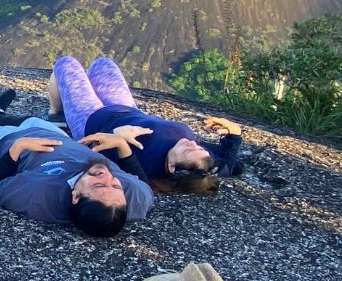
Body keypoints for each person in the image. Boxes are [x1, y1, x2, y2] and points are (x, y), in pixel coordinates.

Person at [0, 95, 153, 237]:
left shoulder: (37, 195)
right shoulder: (129, 199)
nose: (106, 175)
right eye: (116, 185)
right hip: (59, 138)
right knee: (32, 120)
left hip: (3, 144)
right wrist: (122, 146)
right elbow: (144, 187)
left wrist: (18, 147)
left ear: (75, 196)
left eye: (99, 185)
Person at [49, 56, 243, 194]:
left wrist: (117, 135)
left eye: (188, 151)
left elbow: (91, 151)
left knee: (66, 63)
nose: (191, 144)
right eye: (198, 146)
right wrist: (234, 134)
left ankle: (55, 112)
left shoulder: (145, 163)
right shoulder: (201, 162)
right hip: (126, 108)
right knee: (103, 63)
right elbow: (228, 166)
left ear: (173, 168)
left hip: (91, 118)